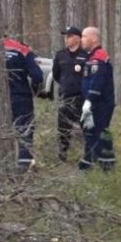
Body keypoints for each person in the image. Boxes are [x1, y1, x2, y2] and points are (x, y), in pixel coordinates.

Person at [3, 36, 43, 172]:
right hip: (21, 96)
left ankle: (2, 163)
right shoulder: (21, 48)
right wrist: (35, 89)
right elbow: (37, 76)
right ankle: (23, 166)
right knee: (24, 130)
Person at [79, 27, 116, 171]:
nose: (81, 39)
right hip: (95, 103)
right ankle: (88, 162)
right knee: (91, 131)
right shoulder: (91, 56)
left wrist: (89, 101)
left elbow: (97, 82)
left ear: (93, 38)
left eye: (84, 36)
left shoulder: (99, 57)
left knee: (98, 132)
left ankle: (106, 165)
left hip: (100, 104)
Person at [52, 26, 88, 162]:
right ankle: (62, 154)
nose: (66, 39)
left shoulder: (86, 55)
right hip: (66, 98)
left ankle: (88, 155)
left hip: (82, 98)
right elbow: (56, 75)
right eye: (65, 36)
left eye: (69, 36)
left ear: (77, 38)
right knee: (63, 127)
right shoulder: (60, 55)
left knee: (86, 127)